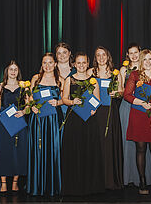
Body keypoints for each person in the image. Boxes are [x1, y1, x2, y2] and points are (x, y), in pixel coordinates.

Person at [123, 49, 151, 194]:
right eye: (145, 59)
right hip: (138, 114)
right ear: (141, 61)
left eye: (150, 59)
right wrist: (141, 103)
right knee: (140, 149)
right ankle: (142, 182)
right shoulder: (135, 75)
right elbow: (127, 95)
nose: (148, 62)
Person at [60, 52, 104, 195]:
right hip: (73, 120)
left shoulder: (93, 81)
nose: (81, 65)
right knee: (74, 151)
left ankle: (90, 185)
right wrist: (72, 101)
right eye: (78, 63)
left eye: (84, 62)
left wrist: (94, 109)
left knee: (89, 150)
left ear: (88, 63)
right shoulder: (69, 80)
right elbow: (64, 99)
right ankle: (74, 185)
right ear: (74, 64)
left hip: (89, 120)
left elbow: (97, 100)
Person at [27, 53, 65, 196]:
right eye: (44, 63)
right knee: (37, 149)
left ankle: (53, 185)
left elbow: (65, 99)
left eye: (50, 62)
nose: (47, 66)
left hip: (53, 119)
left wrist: (58, 102)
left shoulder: (60, 80)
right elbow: (30, 97)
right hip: (37, 119)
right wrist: (32, 106)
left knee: (53, 150)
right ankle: (37, 185)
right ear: (41, 64)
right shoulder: (35, 78)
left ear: (55, 64)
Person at [119, 43, 151, 187]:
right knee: (128, 142)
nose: (134, 55)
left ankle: (147, 177)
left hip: (143, 108)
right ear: (127, 55)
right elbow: (121, 90)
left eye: (136, 52)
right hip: (127, 106)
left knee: (145, 141)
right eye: (131, 53)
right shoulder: (124, 69)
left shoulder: (146, 67)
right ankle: (129, 176)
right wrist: (127, 92)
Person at [89, 46, 124, 190]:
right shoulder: (90, 72)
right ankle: (97, 180)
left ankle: (110, 180)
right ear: (95, 58)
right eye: (98, 55)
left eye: (103, 54)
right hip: (95, 112)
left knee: (109, 144)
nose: (101, 58)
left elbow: (122, 91)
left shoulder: (115, 73)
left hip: (110, 111)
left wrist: (117, 93)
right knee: (96, 143)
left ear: (108, 56)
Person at [0, 61, 28, 195]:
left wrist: (23, 112)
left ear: (18, 72)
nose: (13, 72)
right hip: (4, 121)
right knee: (3, 150)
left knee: (18, 150)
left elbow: (29, 104)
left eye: (15, 69)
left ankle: (15, 182)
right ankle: (3, 183)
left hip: (18, 120)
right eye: (11, 69)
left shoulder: (24, 86)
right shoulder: (0, 86)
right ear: (6, 71)